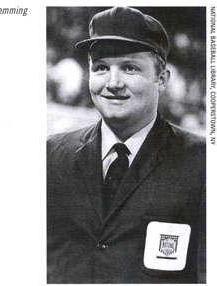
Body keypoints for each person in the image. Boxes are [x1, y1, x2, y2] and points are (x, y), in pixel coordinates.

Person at [47, 6, 206, 283]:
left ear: (162, 79)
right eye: (101, 68)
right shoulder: (52, 155)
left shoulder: (203, 161)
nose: (113, 83)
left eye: (130, 68)